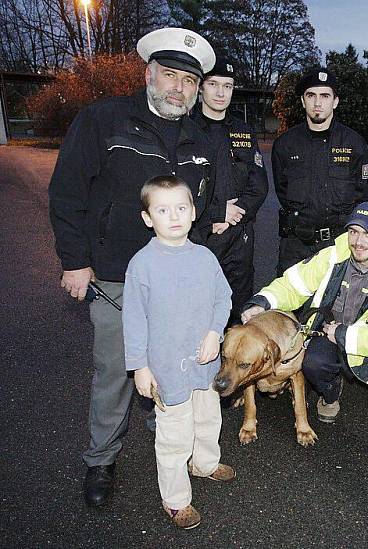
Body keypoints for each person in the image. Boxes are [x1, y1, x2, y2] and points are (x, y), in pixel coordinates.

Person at [48, 27, 217, 507]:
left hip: (178, 281)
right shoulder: (104, 120)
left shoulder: (200, 137)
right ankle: (101, 458)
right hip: (117, 276)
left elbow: (202, 212)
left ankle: (168, 427)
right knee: (116, 370)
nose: (178, 88)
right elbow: (67, 192)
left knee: (174, 361)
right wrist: (76, 261)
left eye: (188, 80)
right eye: (170, 76)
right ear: (148, 74)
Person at [241, 202, 368, 423]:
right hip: (329, 334)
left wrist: (344, 335)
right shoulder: (331, 257)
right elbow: (292, 285)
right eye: (354, 232)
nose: (358, 241)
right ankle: (331, 393)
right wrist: (262, 302)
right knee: (313, 363)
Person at [124, 175, 233, 529]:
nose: (174, 216)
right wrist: (140, 367)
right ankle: (175, 500)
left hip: (204, 364)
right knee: (174, 433)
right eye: (163, 209)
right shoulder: (142, 264)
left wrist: (215, 333)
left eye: (181, 208)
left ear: (193, 212)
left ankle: (204, 462)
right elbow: (135, 320)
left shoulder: (204, 257)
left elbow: (223, 298)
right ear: (147, 217)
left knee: (207, 417)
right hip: (167, 369)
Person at [271, 67, 368, 275]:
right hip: (295, 247)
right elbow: (282, 191)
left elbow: (363, 194)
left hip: (339, 245)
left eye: (325, 96)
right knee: (289, 304)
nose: (318, 103)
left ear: (335, 101)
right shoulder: (285, 144)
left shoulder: (354, 143)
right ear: (302, 100)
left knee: (337, 306)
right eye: (311, 95)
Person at [193, 57, 269, 327]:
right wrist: (215, 214)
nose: (220, 92)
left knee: (237, 315)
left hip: (238, 238)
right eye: (213, 84)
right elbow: (177, 186)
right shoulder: (185, 129)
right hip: (199, 236)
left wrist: (233, 215)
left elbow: (259, 185)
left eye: (227, 86)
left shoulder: (244, 132)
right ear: (201, 87)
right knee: (198, 312)